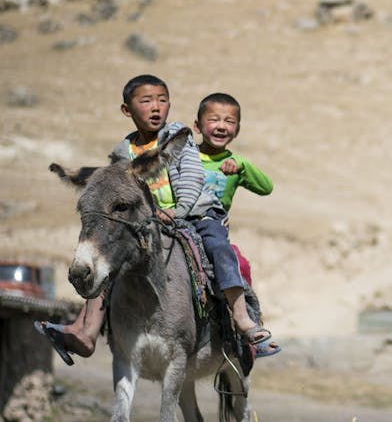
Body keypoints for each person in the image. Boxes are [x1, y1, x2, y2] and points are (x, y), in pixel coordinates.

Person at [36, 75, 271, 365]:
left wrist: (180, 210)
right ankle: (86, 331)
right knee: (113, 256)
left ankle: (241, 318)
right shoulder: (124, 152)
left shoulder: (177, 138)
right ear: (127, 110)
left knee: (220, 250)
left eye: (162, 100)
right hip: (151, 220)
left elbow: (191, 178)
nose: (156, 107)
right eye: (147, 101)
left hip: (195, 214)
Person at [193, 92, 279, 358]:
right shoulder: (186, 156)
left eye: (229, 121)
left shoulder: (235, 163)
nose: (221, 125)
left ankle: (246, 323)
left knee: (232, 258)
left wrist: (241, 165)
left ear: (237, 130)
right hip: (179, 218)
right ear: (197, 127)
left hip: (211, 223)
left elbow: (266, 187)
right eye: (214, 119)